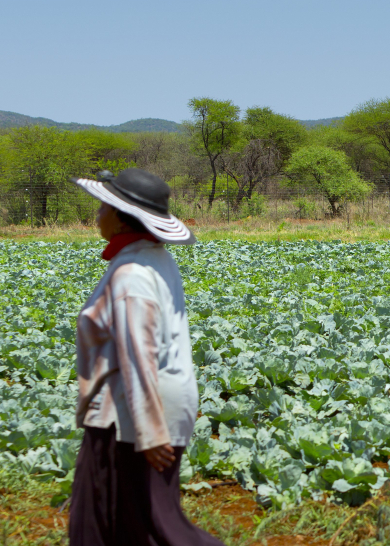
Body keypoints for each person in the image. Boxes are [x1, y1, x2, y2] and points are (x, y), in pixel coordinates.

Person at [68, 169, 223, 546]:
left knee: (140, 526)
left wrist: (150, 433)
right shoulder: (155, 258)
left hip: (131, 414)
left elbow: (138, 353)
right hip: (152, 404)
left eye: (105, 207)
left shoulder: (131, 273)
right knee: (136, 521)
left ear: (123, 218)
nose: (98, 214)